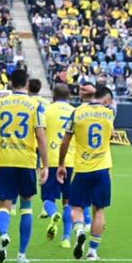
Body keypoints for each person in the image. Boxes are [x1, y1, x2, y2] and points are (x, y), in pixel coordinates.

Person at [0, 69, 48, 263]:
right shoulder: (35, 105)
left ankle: (4, 234)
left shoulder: (0, 104)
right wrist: (45, 165)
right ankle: (22, 254)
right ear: (27, 83)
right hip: (26, 161)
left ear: (10, 83)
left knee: (4, 205)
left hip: (5, 161)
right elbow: (40, 135)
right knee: (27, 206)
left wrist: (0, 145)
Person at [57, 84, 115, 261]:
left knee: (76, 206)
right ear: (106, 99)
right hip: (102, 168)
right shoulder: (109, 113)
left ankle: (80, 229)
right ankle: (93, 251)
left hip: (82, 169)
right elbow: (111, 136)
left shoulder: (77, 113)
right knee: (100, 210)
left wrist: (61, 164)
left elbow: (65, 142)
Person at [41, 83, 76, 248]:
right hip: (70, 160)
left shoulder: (46, 110)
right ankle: (66, 238)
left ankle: (54, 214)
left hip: (52, 159)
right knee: (68, 201)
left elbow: (40, 135)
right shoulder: (74, 111)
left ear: (53, 95)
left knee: (48, 198)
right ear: (69, 96)